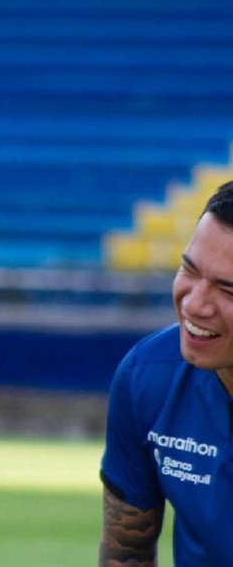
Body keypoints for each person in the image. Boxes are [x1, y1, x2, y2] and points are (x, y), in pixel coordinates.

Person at [99, 181, 233, 565]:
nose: (194, 304)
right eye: (188, 270)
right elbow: (126, 556)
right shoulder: (147, 377)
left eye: (228, 291)